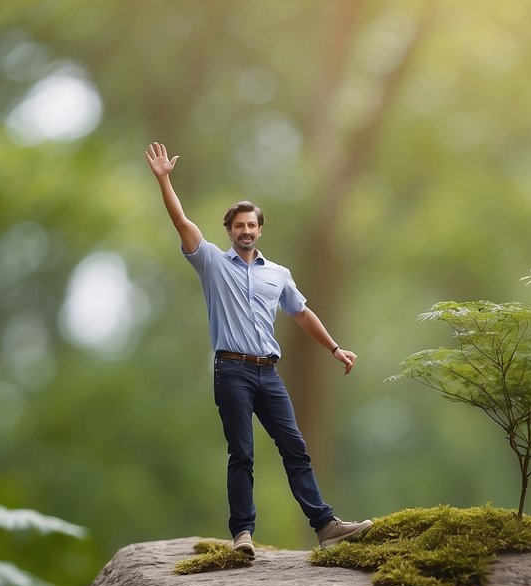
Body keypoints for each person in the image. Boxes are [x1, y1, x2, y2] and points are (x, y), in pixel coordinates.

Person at [144, 141, 373, 557]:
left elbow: (302, 314)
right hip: (231, 371)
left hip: (268, 372)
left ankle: (325, 525)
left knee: (295, 447)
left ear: (260, 230)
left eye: (252, 225)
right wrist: (164, 179)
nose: (245, 231)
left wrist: (335, 348)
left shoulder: (279, 275)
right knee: (242, 453)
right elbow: (180, 221)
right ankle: (243, 535)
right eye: (238, 226)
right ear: (228, 231)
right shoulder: (211, 263)